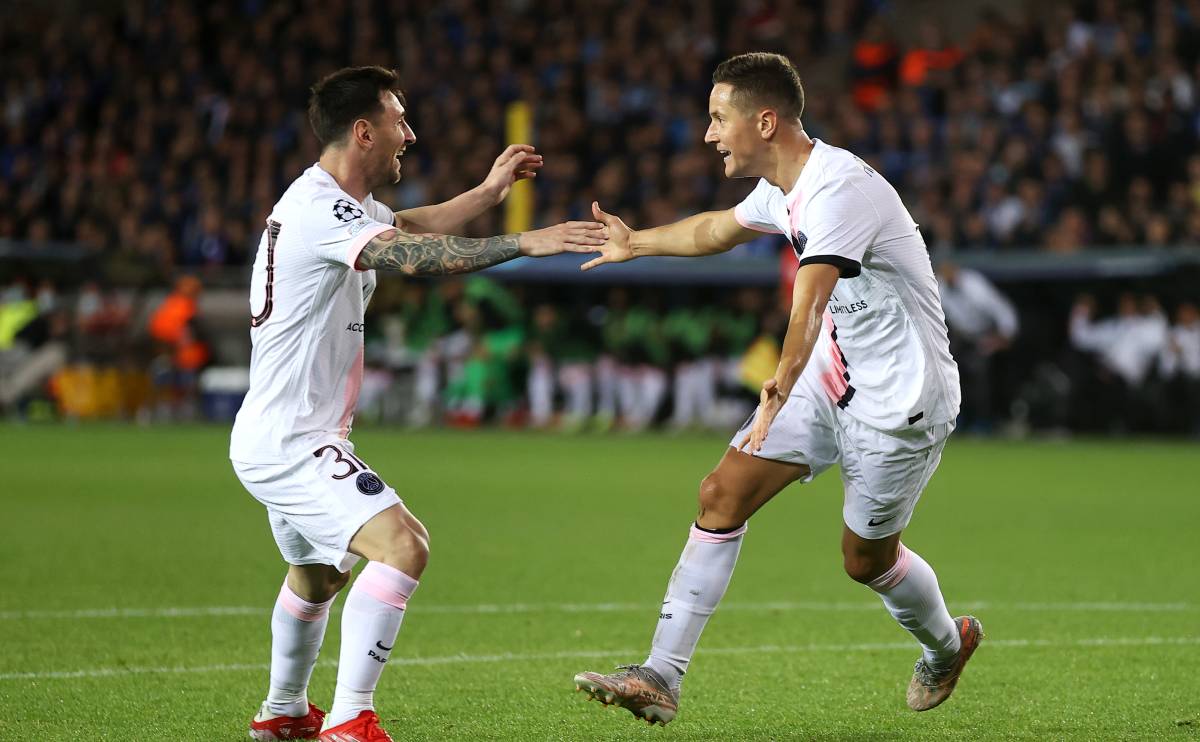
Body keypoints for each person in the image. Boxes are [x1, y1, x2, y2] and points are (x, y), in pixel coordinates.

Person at [573, 53, 980, 725]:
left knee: (865, 560)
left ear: (764, 121)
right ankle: (661, 675)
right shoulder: (781, 188)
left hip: (899, 403)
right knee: (721, 493)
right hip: (831, 375)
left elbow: (810, 301)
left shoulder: (838, 189)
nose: (708, 135)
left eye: (717, 118)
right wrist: (637, 242)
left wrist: (779, 381)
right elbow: (715, 229)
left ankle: (948, 643)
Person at [229, 66, 603, 742]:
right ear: (364, 131)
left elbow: (405, 224)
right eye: (400, 121)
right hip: (292, 440)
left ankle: (283, 712)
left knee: (316, 577)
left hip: (278, 431)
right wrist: (526, 242)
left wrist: (488, 194)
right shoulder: (319, 210)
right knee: (404, 546)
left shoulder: (333, 205)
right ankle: (350, 722)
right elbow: (412, 254)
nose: (411, 134)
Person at [936, 259, 1019, 431]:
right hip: (963, 336)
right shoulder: (941, 287)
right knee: (950, 373)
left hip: (988, 334)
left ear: (956, 269)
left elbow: (1002, 309)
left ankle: (984, 420)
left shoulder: (974, 286)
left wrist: (1005, 336)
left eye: (948, 270)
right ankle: (959, 418)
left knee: (980, 376)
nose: (945, 274)